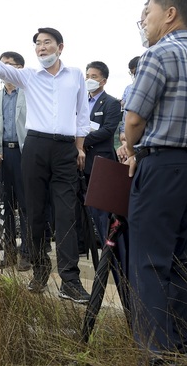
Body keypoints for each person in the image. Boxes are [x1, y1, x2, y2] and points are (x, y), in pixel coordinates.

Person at [0, 27, 92, 304]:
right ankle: (39, 268)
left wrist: (80, 147)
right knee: (33, 211)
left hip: (64, 148)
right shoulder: (28, 77)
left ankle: (70, 280)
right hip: (34, 147)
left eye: (47, 42)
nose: (42, 47)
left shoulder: (75, 75)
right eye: (38, 44)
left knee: (65, 212)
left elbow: (82, 113)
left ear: (60, 46)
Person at [120, 0, 187, 360]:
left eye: (147, 11)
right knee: (182, 257)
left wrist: (131, 146)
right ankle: (183, 343)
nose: (143, 20)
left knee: (148, 260)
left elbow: (134, 117)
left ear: (170, 13)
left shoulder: (157, 55)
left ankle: (156, 350)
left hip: (160, 164)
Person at [0, 51, 31, 271]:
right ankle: (7, 253)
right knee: (5, 207)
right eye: (2, 66)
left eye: (9, 65)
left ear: (19, 69)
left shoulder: (31, 94)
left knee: (27, 207)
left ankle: (28, 253)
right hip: (1, 158)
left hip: (25, 156)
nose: (4, 70)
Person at [82, 60, 122, 243]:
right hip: (82, 159)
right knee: (84, 204)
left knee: (102, 205)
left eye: (94, 76)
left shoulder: (111, 103)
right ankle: (87, 241)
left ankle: (108, 242)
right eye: (87, 76)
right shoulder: (81, 102)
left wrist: (81, 140)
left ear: (103, 80)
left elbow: (107, 130)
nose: (89, 79)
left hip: (101, 160)